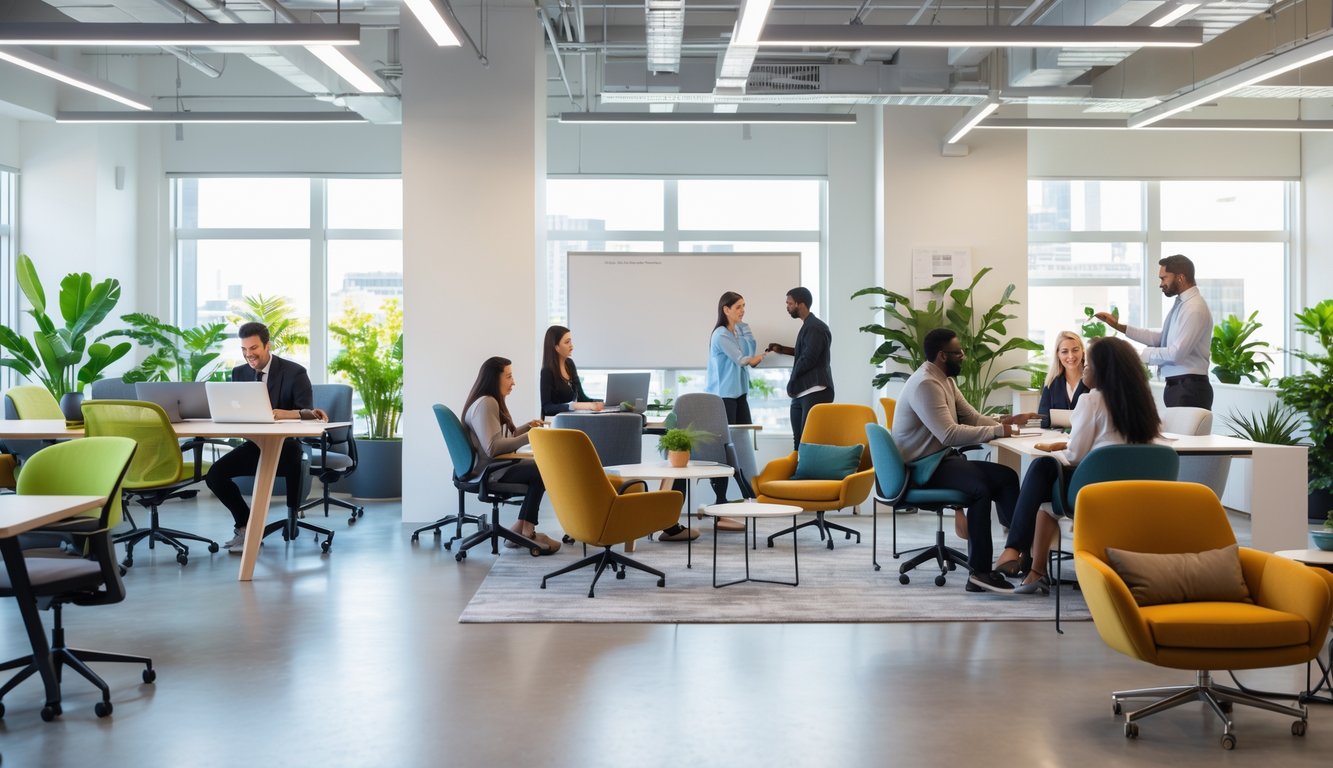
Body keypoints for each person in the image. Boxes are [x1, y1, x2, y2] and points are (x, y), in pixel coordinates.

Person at [996, 337, 1162, 595]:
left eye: (1089, 363)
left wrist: (1057, 452)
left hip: (1093, 490)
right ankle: (1030, 566)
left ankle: (1017, 553)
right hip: (1138, 490)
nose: (1084, 368)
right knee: (1047, 496)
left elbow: (1075, 457)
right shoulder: (1144, 402)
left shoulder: (1091, 400)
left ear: (1103, 368)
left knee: (1043, 469)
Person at [892, 328, 1036, 594]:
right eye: (958, 353)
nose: (964, 356)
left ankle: (1019, 553)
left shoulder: (945, 379)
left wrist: (1004, 423)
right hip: (922, 467)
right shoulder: (926, 384)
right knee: (978, 490)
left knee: (1006, 477)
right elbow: (949, 434)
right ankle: (979, 573)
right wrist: (997, 431)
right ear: (942, 356)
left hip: (940, 461)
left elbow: (971, 417)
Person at [205, 322, 328, 554]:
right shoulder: (239, 373)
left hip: (287, 446)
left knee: (288, 456)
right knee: (214, 476)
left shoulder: (294, 372)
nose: (248, 354)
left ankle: (256, 529)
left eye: (253, 348)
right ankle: (246, 526)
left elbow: (307, 412)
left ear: (267, 345)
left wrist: (282, 414)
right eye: (244, 349)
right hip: (255, 444)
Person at [462, 357, 560, 555]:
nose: (513, 381)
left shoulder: (487, 402)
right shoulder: (486, 403)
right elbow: (493, 447)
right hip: (492, 472)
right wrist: (530, 436)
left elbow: (500, 438)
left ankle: (520, 529)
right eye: (509, 376)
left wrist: (526, 427)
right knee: (543, 468)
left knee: (539, 467)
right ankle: (527, 531)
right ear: (493, 378)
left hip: (494, 467)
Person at [1095, 253, 1214, 409]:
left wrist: (1137, 354)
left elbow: (1176, 353)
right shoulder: (1183, 304)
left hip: (1188, 389)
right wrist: (1120, 327)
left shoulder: (1194, 309)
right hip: (1181, 387)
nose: (1161, 284)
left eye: (1164, 278)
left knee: (1183, 434)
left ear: (1180, 278)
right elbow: (1162, 338)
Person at [703, 291, 768, 531]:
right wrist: (754, 358)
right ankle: (723, 502)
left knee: (742, 446)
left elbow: (750, 351)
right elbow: (743, 359)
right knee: (725, 450)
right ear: (726, 309)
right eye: (738, 307)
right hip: (724, 397)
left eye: (744, 306)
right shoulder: (721, 335)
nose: (742, 310)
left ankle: (748, 496)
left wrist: (745, 329)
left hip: (739, 394)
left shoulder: (737, 331)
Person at [766, 286, 833, 448]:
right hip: (803, 391)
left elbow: (809, 358)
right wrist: (782, 349)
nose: (787, 307)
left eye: (789, 303)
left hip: (815, 389)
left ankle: (807, 472)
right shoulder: (808, 326)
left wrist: (792, 379)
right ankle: (798, 472)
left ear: (800, 304)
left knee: (808, 441)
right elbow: (805, 352)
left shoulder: (815, 327)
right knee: (799, 441)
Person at [539, 325, 604, 416]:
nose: (572, 346)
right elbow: (547, 408)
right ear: (556, 347)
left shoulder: (570, 364)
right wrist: (573, 406)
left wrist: (601, 402)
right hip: (556, 424)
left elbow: (582, 398)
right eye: (567, 342)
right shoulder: (547, 372)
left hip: (571, 420)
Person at [1036, 330, 1089, 428]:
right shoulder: (1050, 383)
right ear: (1058, 354)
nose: (1071, 356)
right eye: (1064, 351)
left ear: (1082, 350)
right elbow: (1043, 420)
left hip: (1087, 439)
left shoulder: (1094, 380)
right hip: (1057, 439)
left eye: (1075, 350)